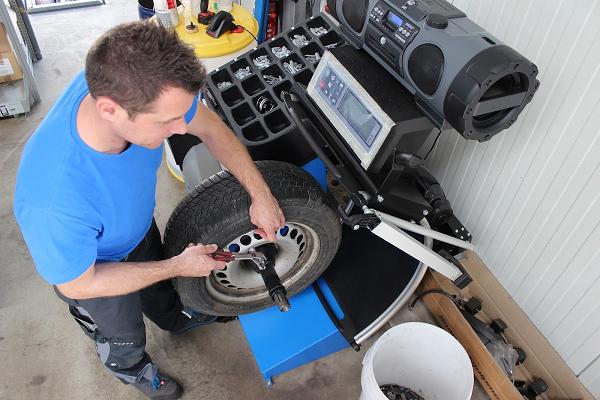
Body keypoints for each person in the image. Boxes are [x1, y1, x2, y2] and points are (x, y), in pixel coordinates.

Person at [13, 21, 285, 400]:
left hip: (134, 227)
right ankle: (134, 370)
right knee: (121, 333)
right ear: (111, 110)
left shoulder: (135, 84)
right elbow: (78, 283)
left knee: (161, 291)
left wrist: (261, 194)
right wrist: (178, 265)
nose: (181, 128)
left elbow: (211, 129)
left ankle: (175, 319)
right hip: (94, 271)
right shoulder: (53, 199)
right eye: (168, 121)